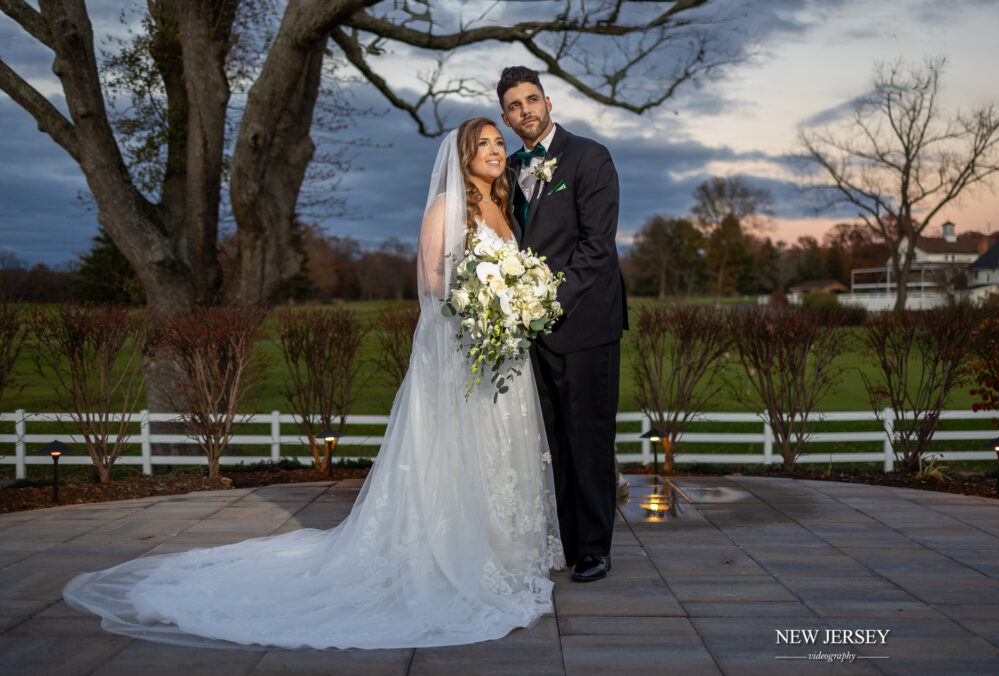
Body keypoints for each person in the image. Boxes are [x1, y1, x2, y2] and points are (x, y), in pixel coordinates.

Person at [62, 118, 564, 650]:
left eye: (498, 142)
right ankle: (456, 554)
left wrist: (517, 302)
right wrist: (481, 302)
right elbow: (430, 280)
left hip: (503, 356)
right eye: (483, 143)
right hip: (462, 350)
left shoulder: (503, 208)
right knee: (458, 450)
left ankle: (503, 548)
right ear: (463, 155)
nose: (494, 150)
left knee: (499, 447)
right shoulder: (446, 206)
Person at [498, 66, 628, 583]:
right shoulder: (507, 168)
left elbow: (597, 247)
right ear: (506, 118)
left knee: (589, 438)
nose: (525, 110)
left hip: (585, 322)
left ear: (548, 103)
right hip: (530, 334)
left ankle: (595, 548)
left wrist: (545, 303)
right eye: (514, 105)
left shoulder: (590, 157)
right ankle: (567, 544)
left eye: (532, 99)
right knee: (550, 442)